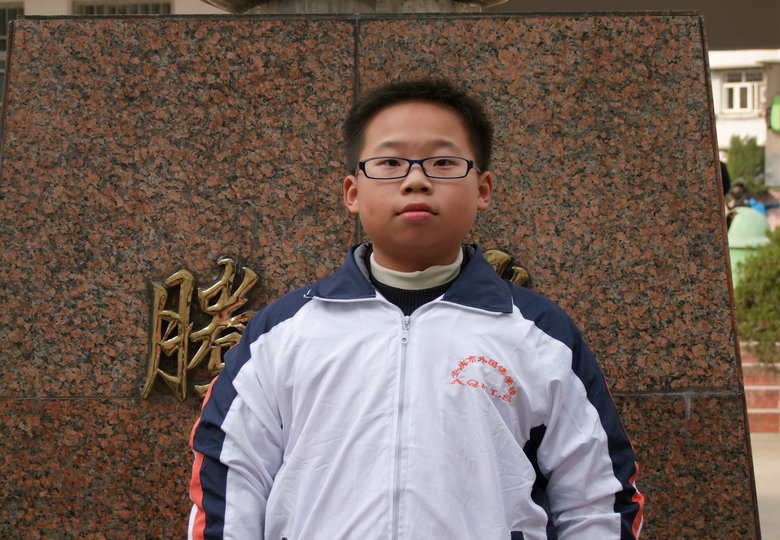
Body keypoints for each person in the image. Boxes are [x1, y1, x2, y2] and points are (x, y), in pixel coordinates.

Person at [188, 79, 644, 539]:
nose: (416, 180)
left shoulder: (539, 335)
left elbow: (597, 500)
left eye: (443, 163)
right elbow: (229, 483)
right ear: (352, 193)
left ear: (483, 189)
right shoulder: (281, 334)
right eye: (389, 163)